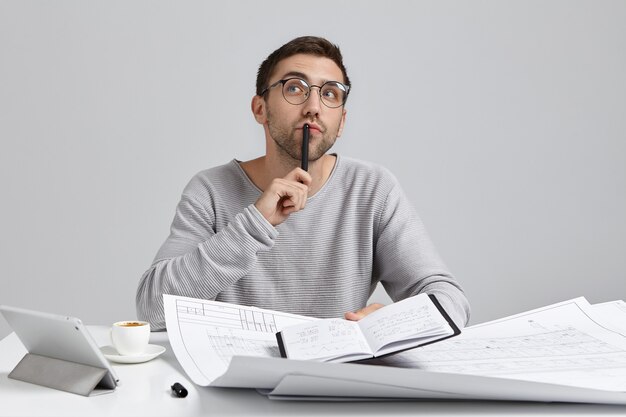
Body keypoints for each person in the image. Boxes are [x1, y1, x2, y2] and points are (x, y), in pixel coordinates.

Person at [136, 36, 470, 331]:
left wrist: (394, 324)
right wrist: (255, 224)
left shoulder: (373, 189)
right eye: (294, 87)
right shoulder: (210, 190)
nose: (313, 107)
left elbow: (450, 300)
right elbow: (151, 310)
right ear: (260, 108)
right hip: (234, 388)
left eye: (329, 94)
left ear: (341, 122)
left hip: (335, 389)